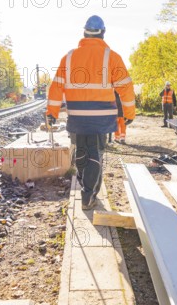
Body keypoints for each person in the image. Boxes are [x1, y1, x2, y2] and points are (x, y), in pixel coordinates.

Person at [46, 15, 135, 210]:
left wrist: (51, 113)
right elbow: (126, 88)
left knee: (81, 151)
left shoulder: (69, 57)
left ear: (84, 32)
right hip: (100, 118)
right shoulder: (111, 57)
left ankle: (85, 185)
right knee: (95, 153)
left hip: (77, 116)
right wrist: (129, 113)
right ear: (103, 33)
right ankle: (88, 195)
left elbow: (55, 87)